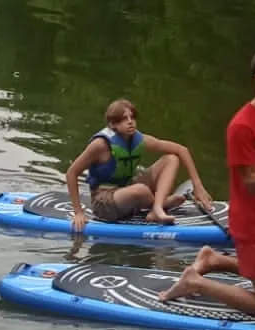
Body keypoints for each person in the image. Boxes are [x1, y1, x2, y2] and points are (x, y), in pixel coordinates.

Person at [161, 48, 255, 315]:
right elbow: (249, 183)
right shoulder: (241, 126)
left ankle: (214, 259)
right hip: (253, 225)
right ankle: (196, 281)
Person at [65, 99, 216, 234]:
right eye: (124, 119)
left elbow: (181, 150)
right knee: (141, 190)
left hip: (128, 188)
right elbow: (71, 173)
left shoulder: (140, 139)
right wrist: (78, 212)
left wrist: (198, 186)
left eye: (132, 117)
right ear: (112, 124)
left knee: (171, 159)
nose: (130, 122)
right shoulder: (100, 145)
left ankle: (157, 208)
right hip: (104, 201)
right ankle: (162, 203)